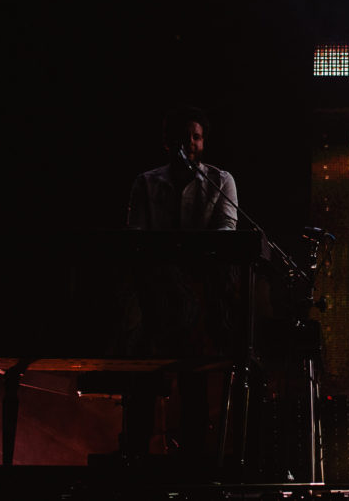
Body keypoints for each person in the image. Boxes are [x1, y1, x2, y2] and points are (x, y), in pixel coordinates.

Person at [123, 105, 239, 461]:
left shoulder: (221, 181)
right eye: (183, 136)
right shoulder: (146, 182)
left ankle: (192, 465)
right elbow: (135, 239)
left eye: (196, 136)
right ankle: (135, 462)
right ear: (166, 142)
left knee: (194, 383)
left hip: (201, 301)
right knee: (142, 382)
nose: (189, 143)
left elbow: (226, 236)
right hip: (155, 298)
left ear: (203, 143)